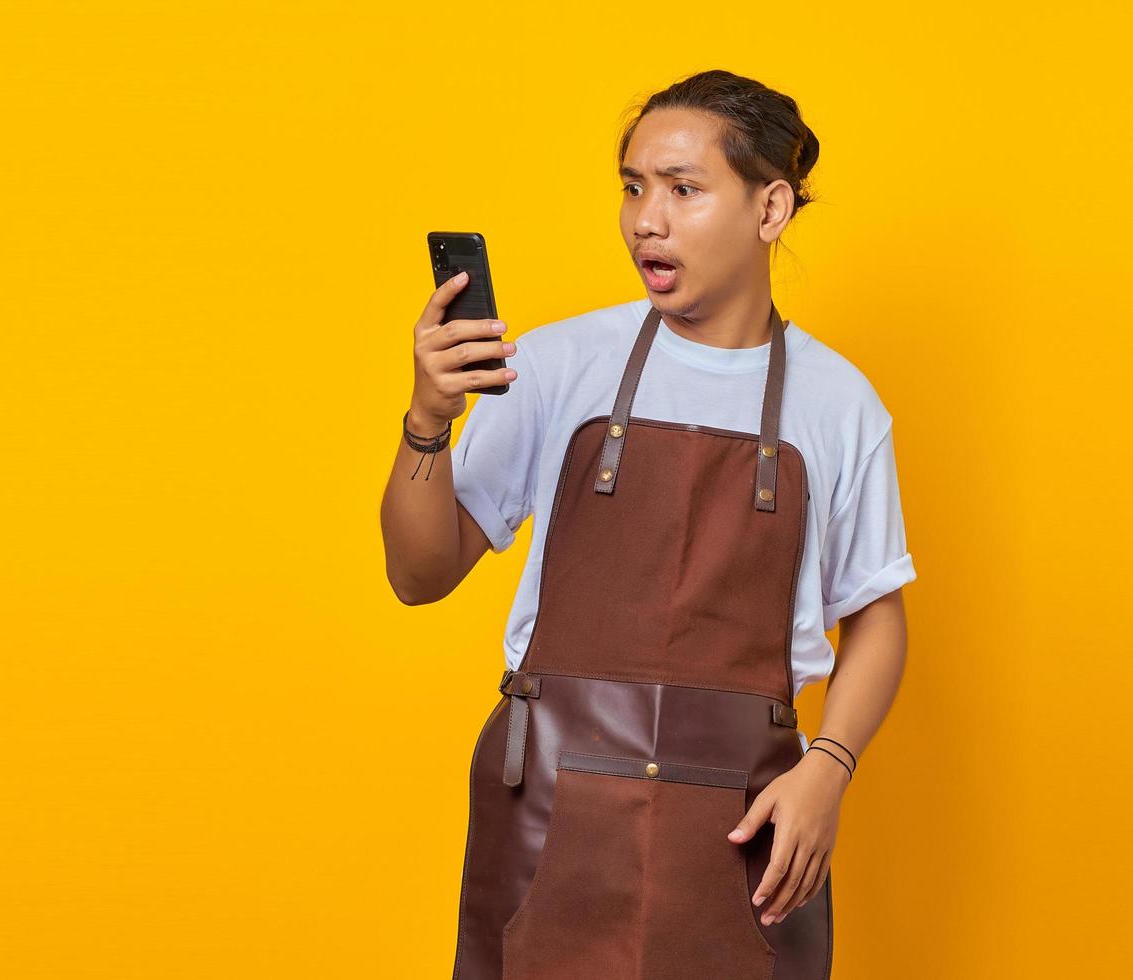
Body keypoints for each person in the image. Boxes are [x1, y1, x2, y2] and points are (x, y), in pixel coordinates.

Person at [381, 68, 915, 979]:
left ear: (771, 207)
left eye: (683, 189)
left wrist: (828, 768)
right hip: (549, 810)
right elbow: (419, 574)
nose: (646, 221)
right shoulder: (556, 366)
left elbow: (877, 615)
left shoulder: (839, 403)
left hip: (746, 821)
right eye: (633, 187)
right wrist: (429, 420)